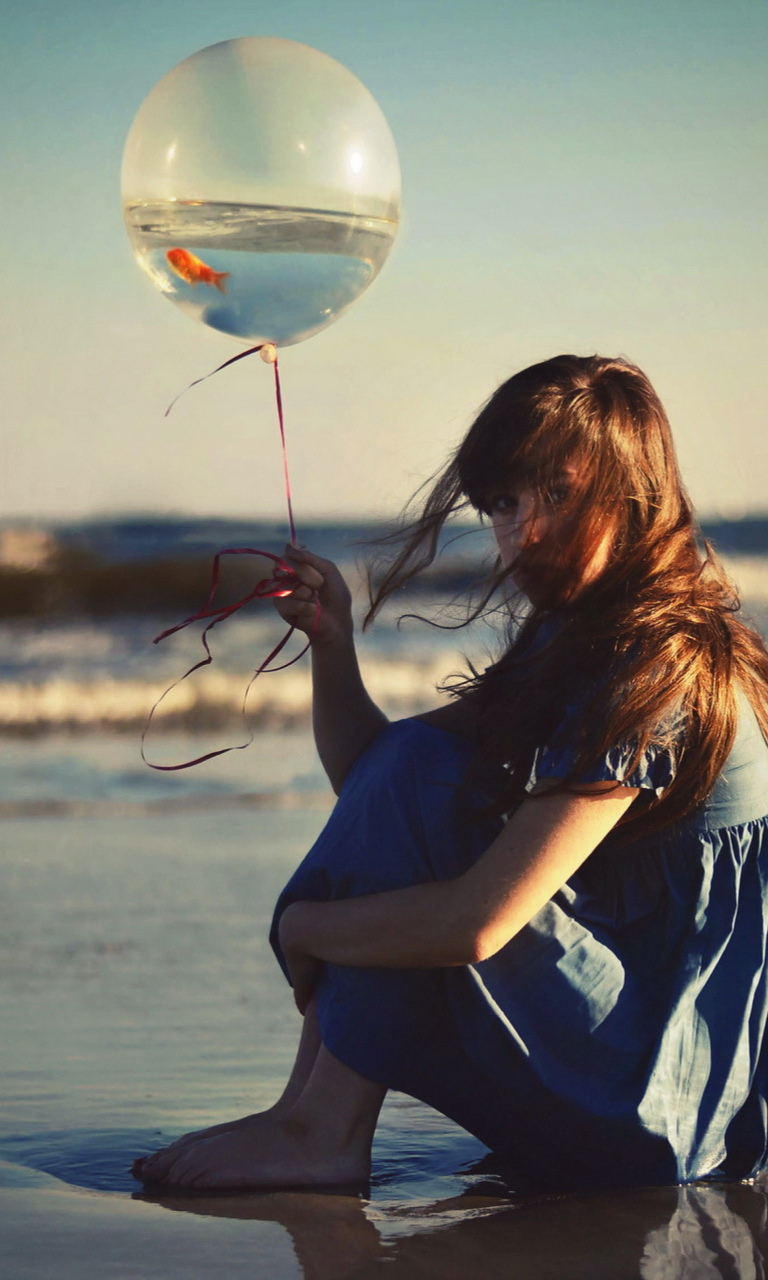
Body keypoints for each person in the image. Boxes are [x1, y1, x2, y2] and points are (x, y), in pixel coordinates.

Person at [134, 354, 768, 1193]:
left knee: (421, 807)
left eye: (557, 494)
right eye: (504, 504)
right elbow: (380, 780)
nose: (523, 532)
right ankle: (309, 1113)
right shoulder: (574, 633)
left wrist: (306, 929)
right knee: (415, 763)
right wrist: (333, 645)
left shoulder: (659, 664)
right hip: (610, 1056)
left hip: (656, 1107)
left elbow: (479, 923)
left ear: (632, 490)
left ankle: (321, 1127)